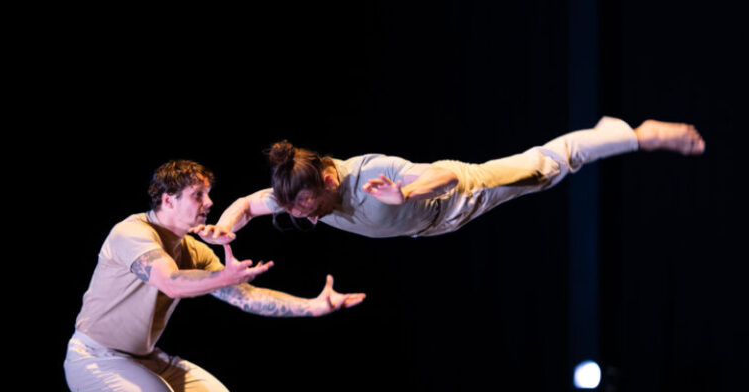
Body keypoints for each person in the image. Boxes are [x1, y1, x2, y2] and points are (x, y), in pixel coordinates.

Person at [63, 160, 366, 392]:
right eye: (198, 195)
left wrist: (313, 307)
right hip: (93, 357)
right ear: (169, 200)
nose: (209, 203)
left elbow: (245, 297)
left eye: (207, 194)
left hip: (143, 359)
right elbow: (170, 282)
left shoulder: (193, 250)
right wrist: (221, 276)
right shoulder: (132, 233)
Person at [192, 117, 705, 241]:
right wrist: (226, 228)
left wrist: (406, 191)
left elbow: (437, 177)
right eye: (295, 207)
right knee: (553, 166)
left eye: (304, 204)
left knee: (552, 165)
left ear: (328, 178)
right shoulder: (297, 195)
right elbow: (247, 203)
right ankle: (615, 133)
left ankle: (635, 134)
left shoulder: (370, 174)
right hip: (432, 224)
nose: (300, 214)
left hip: (467, 191)